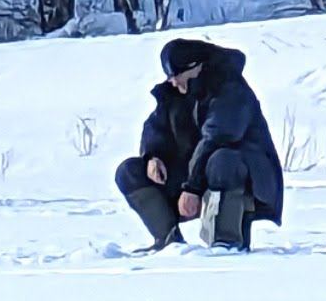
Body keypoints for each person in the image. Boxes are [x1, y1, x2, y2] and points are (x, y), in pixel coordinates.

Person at [114, 39, 283, 251]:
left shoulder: (231, 89)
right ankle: (168, 243)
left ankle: (227, 241)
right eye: (170, 77)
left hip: (244, 178)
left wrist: (191, 188)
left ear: (196, 66)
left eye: (176, 76)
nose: (173, 82)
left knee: (223, 160)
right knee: (129, 171)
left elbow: (216, 138)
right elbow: (155, 127)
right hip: (195, 177)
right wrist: (152, 157)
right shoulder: (175, 93)